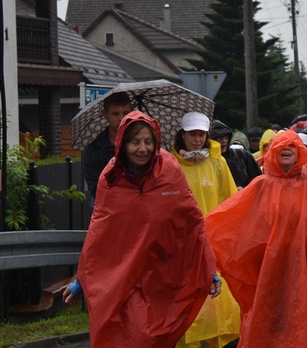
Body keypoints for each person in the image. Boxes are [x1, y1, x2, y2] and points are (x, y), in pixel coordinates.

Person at [63, 111, 219, 346]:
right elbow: (100, 233)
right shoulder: (111, 178)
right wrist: (81, 280)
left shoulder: (170, 172)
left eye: (148, 141)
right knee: (128, 333)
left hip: (162, 274)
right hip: (123, 275)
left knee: (157, 334)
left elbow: (191, 224)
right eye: (135, 142)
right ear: (123, 144)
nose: (142, 149)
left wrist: (209, 270)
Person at [204, 130, 307, 347]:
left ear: (300, 152)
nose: (286, 149)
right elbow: (238, 221)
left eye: (292, 146)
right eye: (281, 147)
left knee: (298, 313)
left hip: (303, 265)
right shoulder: (262, 185)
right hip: (268, 267)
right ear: (272, 152)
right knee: (269, 314)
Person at [173, 112, 241, 348]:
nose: (197, 139)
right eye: (192, 134)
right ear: (183, 135)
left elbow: (229, 201)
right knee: (186, 305)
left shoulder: (217, 162)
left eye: (201, 134)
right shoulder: (170, 165)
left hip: (212, 244)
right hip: (181, 245)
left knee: (216, 305)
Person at [82, 91, 132, 205]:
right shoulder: (94, 149)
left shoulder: (140, 145)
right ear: (105, 114)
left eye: (125, 113)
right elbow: (95, 188)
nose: (121, 118)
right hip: (106, 204)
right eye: (115, 114)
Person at [210, 120, 261, 188]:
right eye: (219, 138)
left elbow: (259, 183)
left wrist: (245, 190)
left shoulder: (243, 155)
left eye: (226, 136)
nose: (224, 141)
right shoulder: (206, 161)